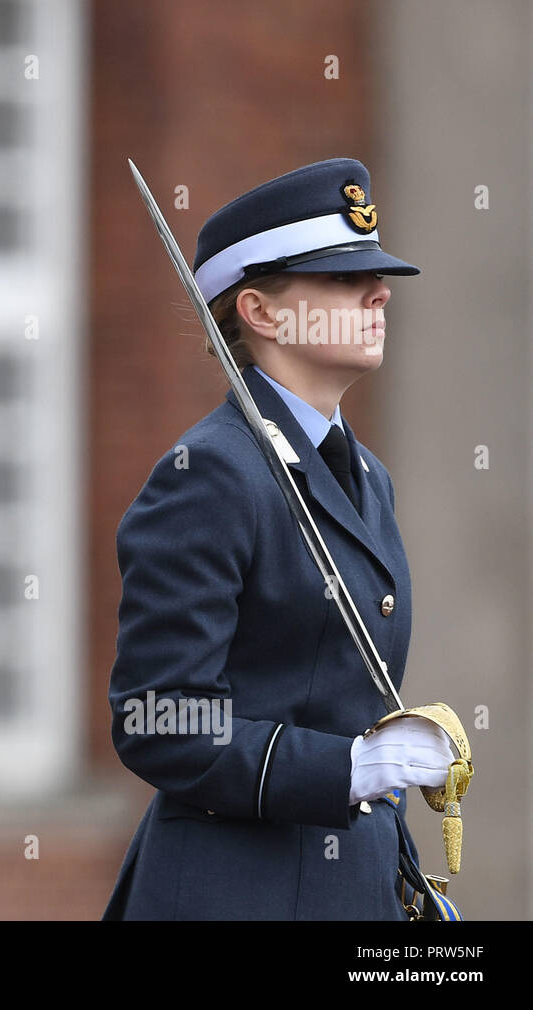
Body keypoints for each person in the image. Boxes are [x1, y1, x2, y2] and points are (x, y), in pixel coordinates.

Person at [104, 158, 457, 920]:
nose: (378, 293)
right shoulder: (212, 475)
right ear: (262, 313)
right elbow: (156, 717)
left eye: (375, 276)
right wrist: (348, 767)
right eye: (339, 280)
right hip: (237, 895)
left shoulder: (366, 473)